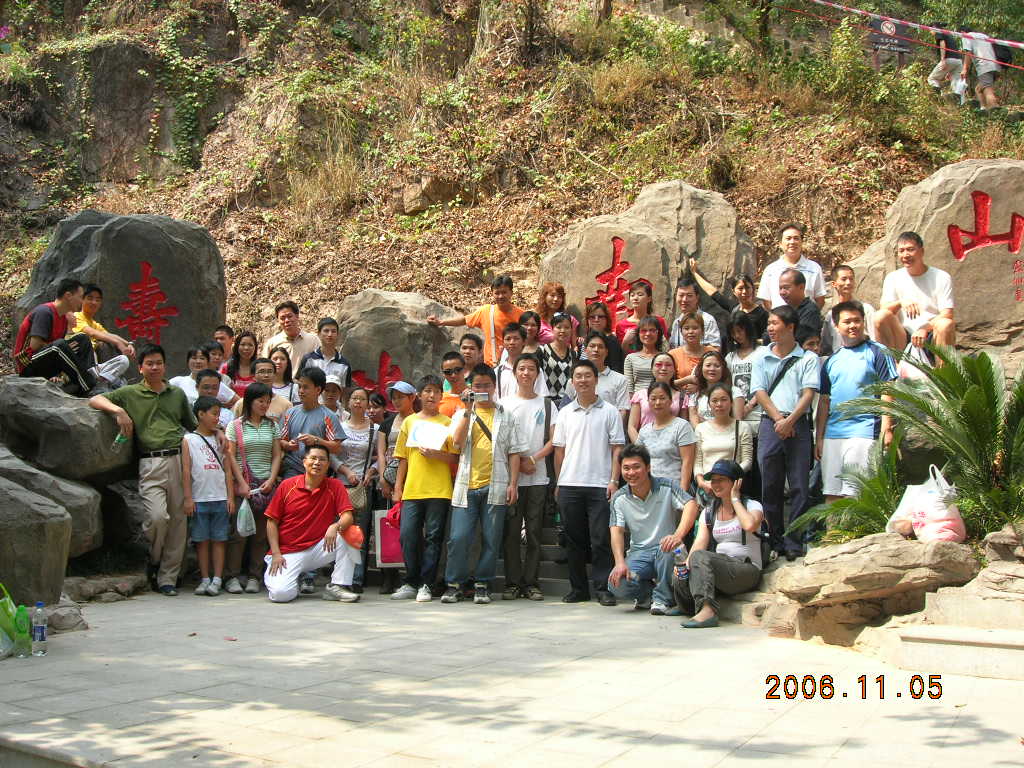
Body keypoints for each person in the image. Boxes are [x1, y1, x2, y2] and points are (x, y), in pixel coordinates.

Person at [89, 343, 196, 595]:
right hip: (150, 462)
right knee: (157, 518)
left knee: (178, 522)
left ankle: (167, 578)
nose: (155, 367)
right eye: (149, 363)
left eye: (159, 363)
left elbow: (192, 425)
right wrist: (118, 411)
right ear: (140, 368)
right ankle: (154, 559)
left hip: (179, 460)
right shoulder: (130, 393)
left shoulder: (176, 394)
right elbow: (94, 399)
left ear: (165, 366)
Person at [442, 364, 525, 604]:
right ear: (471, 388)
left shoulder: (507, 415)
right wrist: (468, 411)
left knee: (491, 538)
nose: (482, 390)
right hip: (466, 486)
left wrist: (513, 484)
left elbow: (514, 452)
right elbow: (456, 443)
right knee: (458, 538)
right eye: (477, 386)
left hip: (496, 484)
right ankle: (454, 583)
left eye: (486, 385)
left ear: (494, 387)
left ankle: (483, 583)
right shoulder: (461, 414)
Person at [553, 360, 626, 605]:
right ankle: (578, 589)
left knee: (601, 539)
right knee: (573, 540)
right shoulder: (565, 412)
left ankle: (603, 588)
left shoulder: (610, 411)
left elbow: (617, 449)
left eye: (587, 375)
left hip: (600, 484)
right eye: (578, 376)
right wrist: (559, 482)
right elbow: (559, 451)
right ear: (572, 381)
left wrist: (614, 480)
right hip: (570, 484)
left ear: (596, 380)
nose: (582, 380)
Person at [751, 306, 819, 560]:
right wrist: (779, 420)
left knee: (800, 485)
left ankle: (794, 541)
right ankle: (775, 540)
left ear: (791, 327)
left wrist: (790, 421)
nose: (770, 328)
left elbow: (809, 394)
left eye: (775, 323)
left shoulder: (807, 358)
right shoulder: (761, 356)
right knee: (770, 485)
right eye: (769, 323)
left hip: (798, 424)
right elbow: (759, 392)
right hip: (770, 423)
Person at [816, 301, 896, 502]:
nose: (853, 325)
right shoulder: (831, 361)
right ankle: (833, 526)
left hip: (865, 432)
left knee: (857, 494)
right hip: (833, 435)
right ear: (836, 326)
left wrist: (886, 429)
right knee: (832, 493)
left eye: (857, 320)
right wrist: (819, 438)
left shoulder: (878, 352)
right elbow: (824, 401)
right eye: (847, 322)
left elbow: (887, 390)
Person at [263, 444, 361, 604]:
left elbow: (347, 516)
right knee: (281, 595)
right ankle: (289, 581)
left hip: (318, 548)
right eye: (313, 458)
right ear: (304, 462)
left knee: (352, 533)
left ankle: (337, 586)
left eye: (322, 459)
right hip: (287, 553)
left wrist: (335, 526)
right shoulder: (287, 485)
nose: (317, 463)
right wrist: (275, 553)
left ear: (328, 464)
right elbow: (271, 521)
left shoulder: (335, 486)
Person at [391, 375, 459, 602]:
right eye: (427, 391)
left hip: (439, 490)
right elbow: (402, 458)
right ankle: (411, 580)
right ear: (419, 395)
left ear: (441, 396)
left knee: (433, 538)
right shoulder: (409, 422)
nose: (432, 395)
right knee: (408, 535)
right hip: (412, 489)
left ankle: (427, 584)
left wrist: (436, 454)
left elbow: (455, 457)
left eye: (436, 391)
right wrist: (398, 487)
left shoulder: (448, 423)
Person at [608, 444, 697, 615]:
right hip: (639, 553)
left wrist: (678, 535)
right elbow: (616, 531)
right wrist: (619, 563)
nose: (631, 472)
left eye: (636, 467)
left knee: (671, 549)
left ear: (648, 467)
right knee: (617, 583)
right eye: (626, 468)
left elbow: (691, 504)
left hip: (669, 549)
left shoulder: (666, 486)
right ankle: (647, 595)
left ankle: (663, 599)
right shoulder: (619, 498)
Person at [676, 460, 764, 628]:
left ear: (737, 482)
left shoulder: (752, 505)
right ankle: (687, 608)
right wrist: (685, 566)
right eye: (713, 480)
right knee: (682, 567)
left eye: (721, 479)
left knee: (699, 557)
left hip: (746, 570)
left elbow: (749, 525)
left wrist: (735, 499)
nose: (715, 484)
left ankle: (708, 611)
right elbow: (700, 542)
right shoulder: (709, 511)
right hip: (720, 568)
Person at [501, 353, 554, 601]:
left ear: (537, 373)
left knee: (534, 532)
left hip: (538, 478)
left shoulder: (547, 404)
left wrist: (532, 460)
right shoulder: (504, 404)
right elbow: (500, 440)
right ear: (515, 373)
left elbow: (555, 439)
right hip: (511, 479)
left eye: (531, 369)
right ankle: (512, 582)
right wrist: (518, 464)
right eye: (521, 368)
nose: (526, 373)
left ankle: (531, 582)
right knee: (511, 533)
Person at [225, 382, 282, 594]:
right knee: (239, 533)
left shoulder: (272, 426)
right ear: (250, 401)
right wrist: (241, 483)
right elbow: (231, 456)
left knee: (261, 535)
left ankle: (254, 576)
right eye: (261, 401)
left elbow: (276, 455)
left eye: (267, 401)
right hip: (244, 487)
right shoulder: (235, 426)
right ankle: (231, 576)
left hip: (266, 486)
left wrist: (272, 479)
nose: (265, 405)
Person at [182, 396, 236, 596]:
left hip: (220, 497)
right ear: (200, 414)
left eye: (218, 414)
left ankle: (217, 579)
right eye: (214, 414)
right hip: (199, 498)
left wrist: (230, 497)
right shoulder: (188, 440)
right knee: (201, 540)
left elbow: (228, 470)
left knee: (220, 540)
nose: (217, 418)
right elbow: (186, 470)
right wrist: (188, 498)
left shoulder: (221, 439)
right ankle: (205, 578)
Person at [14, 278, 101, 394]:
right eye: (80, 297)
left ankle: (86, 379)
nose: (82, 302)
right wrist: (65, 347)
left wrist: (66, 348)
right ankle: (88, 385)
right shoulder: (44, 312)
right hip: (28, 365)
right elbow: (34, 346)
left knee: (82, 339)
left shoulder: (63, 318)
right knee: (60, 345)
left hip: (48, 361)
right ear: (68, 296)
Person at [874, 231, 955, 353]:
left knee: (945, 324)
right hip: (902, 335)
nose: (905, 255)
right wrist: (901, 302)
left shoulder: (941, 277)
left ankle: (942, 365)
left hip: (931, 332)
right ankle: (893, 362)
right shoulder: (892, 278)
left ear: (922, 251)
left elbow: (947, 314)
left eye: (910, 249)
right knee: (880, 316)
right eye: (901, 251)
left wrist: (924, 328)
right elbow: (884, 309)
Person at [427, 275, 525, 366]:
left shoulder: (522, 315)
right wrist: (441, 322)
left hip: (515, 365)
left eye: (504, 292)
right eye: (497, 293)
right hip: (491, 366)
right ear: (492, 293)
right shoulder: (486, 311)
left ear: (511, 292)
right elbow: (465, 320)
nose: (500, 296)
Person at [334, 387, 377, 592]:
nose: (358, 402)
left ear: (368, 404)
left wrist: (372, 471)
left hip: (363, 486)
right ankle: (339, 576)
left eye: (362, 399)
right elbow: (331, 455)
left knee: (359, 531)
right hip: (341, 485)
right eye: (354, 398)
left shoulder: (375, 429)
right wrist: (345, 470)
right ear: (348, 402)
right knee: (341, 530)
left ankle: (357, 578)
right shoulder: (340, 427)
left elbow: (382, 455)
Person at [279, 366, 343, 490]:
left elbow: (336, 448)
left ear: (318, 390)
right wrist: (288, 445)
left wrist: (316, 441)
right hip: (291, 469)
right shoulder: (290, 413)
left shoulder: (329, 416)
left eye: (306, 387)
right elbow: (280, 440)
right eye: (299, 387)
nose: (301, 391)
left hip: (318, 471)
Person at [726, 315, 768, 501]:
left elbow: (767, 382)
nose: (737, 335)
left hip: (758, 414)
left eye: (740, 330)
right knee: (743, 464)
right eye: (733, 332)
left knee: (760, 464)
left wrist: (750, 405)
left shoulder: (763, 352)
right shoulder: (730, 357)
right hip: (738, 418)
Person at [694, 384, 754, 506]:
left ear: (731, 402)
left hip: (732, 486)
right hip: (707, 487)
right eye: (714, 401)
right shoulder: (700, 428)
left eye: (724, 399)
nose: (719, 404)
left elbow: (747, 461)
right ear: (709, 404)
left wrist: (728, 476)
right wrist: (701, 482)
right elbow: (698, 462)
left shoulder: (742, 427)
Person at [70, 283, 135, 385]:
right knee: (123, 361)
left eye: (97, 300)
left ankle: (102, 381)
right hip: (82, 363)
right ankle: (100, 381)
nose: (94, 302)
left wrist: (128, 344)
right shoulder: (76, 316)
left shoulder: (94, 323)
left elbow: (110, 335)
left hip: (96, 365)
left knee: (123, 378)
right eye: (90, 298)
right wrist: (118, 343)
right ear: (82, 299)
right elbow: (92, 333)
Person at [636, 382, 696, 490]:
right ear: (648, 402)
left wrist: (682, 493)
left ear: (670, 401)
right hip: (649, 490)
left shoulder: (682, 426)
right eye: (653, 399)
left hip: (674, 489)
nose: (657, 403)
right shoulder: (644, 431)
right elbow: (638, 459)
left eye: (662, 398)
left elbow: (687, 462)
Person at [688, 263, 768, 341]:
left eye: (747, 288)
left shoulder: (761, 313)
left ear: (752, 289)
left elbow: (767, 338)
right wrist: (695, 273)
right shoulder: (734, 308)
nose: (744, 292)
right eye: (740, 288)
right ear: (734, 291)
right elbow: (713, 292)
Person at [757, 223, 827, 310]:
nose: (792, 242)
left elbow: (820, 299)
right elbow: (766, 301)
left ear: (801, 242)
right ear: (780, 244)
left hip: (806, 317)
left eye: (796, 238)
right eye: (788, 238)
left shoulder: (814, 268)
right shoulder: (770, 270)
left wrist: (810, 315)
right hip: (780, 317)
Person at [566, 332, 630, 419]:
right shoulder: (575, 381)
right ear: (585, 351)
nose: (596, 350)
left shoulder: (620, 379)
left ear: (606, 352)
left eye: (600, 347)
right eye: (592, 346)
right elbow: (565, 408)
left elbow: (622, 411)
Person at [821, 264, 877, 356]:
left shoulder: (866, 309)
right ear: (834, 284)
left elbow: (875, 339)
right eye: (844, 279)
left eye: (851, 279)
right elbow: (826, 346)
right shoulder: (830, 315)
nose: (848, 282)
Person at [628, 353, 685, 441]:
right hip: (644, 443)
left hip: (671, 445)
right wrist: (640, 447)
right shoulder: (640, 395)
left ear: (674, 369)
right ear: (652, 369)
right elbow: (632, 427)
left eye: (668, 365)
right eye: (658, 364)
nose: (663, 368)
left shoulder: (682, 397)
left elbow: (684, 426)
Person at [377, 381, 417, 504]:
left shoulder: (419, 421)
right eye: (394, 398)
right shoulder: (386, 423)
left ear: (412, 397)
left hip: (412, 475)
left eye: (400, 397)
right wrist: (382, 478)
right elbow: (381, 453)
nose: (396, 401)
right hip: (390, 475)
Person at [495, 323, 549, 403]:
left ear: (524, 341)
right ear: (503, 342)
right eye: (508, 339)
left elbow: (542, 396)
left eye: (516, 338)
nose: (512, 342)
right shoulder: (497, 372)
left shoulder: (534, 370)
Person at [168, 347, 238, 407]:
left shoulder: (215, 383)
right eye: (194, 358)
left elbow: (238, 401)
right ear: (188, 361)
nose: (198, 361)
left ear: (208, 362)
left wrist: (221, 406)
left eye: (202, 358)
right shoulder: (178, 381)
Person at [261, 301, 318, 373]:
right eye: (282, 318)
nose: (287, 320)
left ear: (297, 316)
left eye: (290, 316)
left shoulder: (313, 340)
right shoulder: (272, 343)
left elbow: (321, 364)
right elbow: (264, 367)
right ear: (278, 320)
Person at [668, 277, 721, 350]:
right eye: (681, 295)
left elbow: (715, 348)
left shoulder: (707, 320)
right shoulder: (676, 322)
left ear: (697, 298)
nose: (684, 299)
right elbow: (673, 348)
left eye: (689, 295)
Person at [615, 279, 668, 352]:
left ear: (649, 299)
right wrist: (626, 341)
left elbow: (664, 346)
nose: (635, 298)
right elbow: (620, 353)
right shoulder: (621, 325)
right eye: (632, 295)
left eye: (640, 295)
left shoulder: (658, 321)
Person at [298, 317, 353, 386]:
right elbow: (299, 383)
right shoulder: (309, 359)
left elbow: (345, 389)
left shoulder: (344, 364)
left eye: (333, 331)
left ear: (338, 335)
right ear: (319, 334)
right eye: (326, 331)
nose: (330, 334)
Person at [776, 269, 822, 347]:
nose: (782, 292)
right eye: (780, 288)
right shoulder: (783, 311)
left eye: (786, 288)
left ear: (801, 287)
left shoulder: (810, 311)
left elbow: (801, 338)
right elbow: (767, 337)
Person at [537, 312, 576, 403]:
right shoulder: (542, 351)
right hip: (547, 402)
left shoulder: (573, 354)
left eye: (567, 327)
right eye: (558, 327)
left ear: (571, 330)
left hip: (568, 403)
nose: (563, 330)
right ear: (552, 329)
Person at [687, 350, 732, 426]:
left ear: (723, 369)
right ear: (701, 368)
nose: (712, 369)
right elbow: (693, 417)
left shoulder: (733, 391)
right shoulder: (695, 393)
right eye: (708, 365)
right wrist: (703, 432)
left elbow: (736, 419)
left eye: (717, 366)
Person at [623, 316, 665, 397]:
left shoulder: (664, 358)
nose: (648, 334)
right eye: (644, 330)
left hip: (660, 399)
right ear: (638, 334)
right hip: (637, 400)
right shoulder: (630, 358)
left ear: (658, 333)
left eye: (652, 330)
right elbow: (629, 389)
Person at [668, 312, 714, 384]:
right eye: (686, 328)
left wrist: (699, 386)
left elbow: (720, 379)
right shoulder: (673, 354)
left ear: (702, 331)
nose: (690, 332)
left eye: (695, 328)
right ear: (681, 332)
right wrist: (685, 381)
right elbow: (666, 383)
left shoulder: (712, 352)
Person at [961, 29, 1001, 110]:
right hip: (995, 65)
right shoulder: (983, 36)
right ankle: (984, 109)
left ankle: (995, 111)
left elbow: (968, 53)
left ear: (962, 32)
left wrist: (964, 69)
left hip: (984, 65)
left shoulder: (966, 36)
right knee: (978, 89)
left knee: (987, 90)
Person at [580, 301, 624, 372]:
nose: (596, 320)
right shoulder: (586, 339)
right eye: (592, 317)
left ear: (607, 319)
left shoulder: (611, 341)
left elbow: (616, 368)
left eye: (600, 317)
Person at [927, 26, 966, 104]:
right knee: (956, 85)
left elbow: (942, 43)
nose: (930, 32)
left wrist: (943, 59)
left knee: (932, 79)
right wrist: (949, 70)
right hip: (958, 61)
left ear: (933, 28)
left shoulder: (938, 32)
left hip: (949, 59)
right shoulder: (949, 35)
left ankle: (937, 100)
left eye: (930, 30)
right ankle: (959, 105)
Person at [223, 331, 259, 398]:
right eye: (243, 344)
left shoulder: (260, 368)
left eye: (250, 345)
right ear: (237, 346)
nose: (246, 348)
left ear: (255, 348)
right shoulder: (227, 367)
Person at [439, 351, 469, 418]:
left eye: (457, 370)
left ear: (465, 369)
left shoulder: (477, 395)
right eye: (448, 372)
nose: (453, 375)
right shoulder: (439, 399)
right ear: (443, 374)